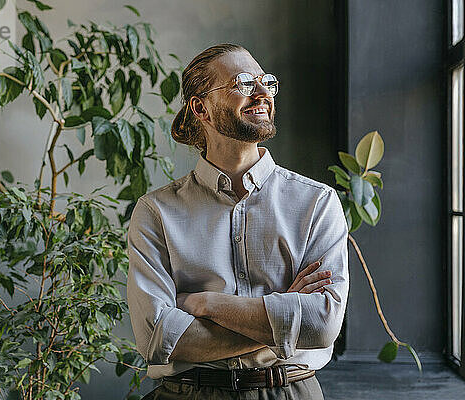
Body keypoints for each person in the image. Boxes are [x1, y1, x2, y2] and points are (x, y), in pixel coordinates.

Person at [126, 43, 348, 400]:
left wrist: (205, 305)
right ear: (201, 108)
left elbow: (321, 325)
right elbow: (157, 336)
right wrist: (285, 321)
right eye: (244, 83)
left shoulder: (317, 203)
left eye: (267, 82)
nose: (263, 93)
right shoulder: (155, 212)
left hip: (291, 391)